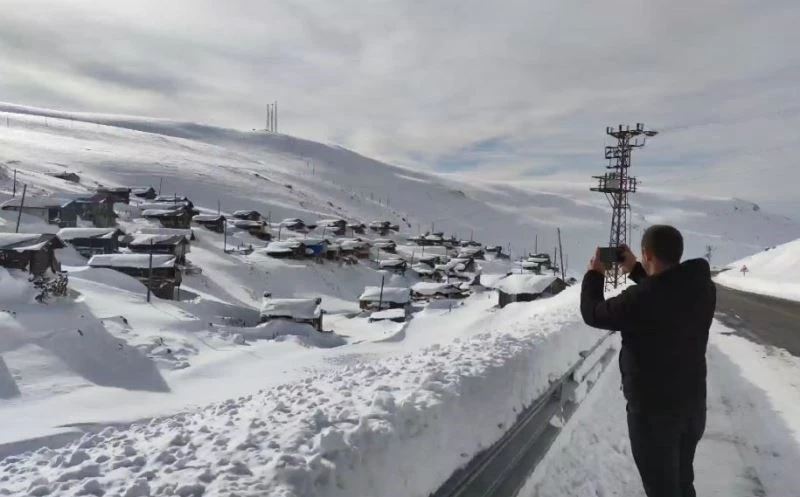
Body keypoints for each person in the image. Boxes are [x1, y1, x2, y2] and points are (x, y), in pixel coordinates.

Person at [580, 225, 716, 497]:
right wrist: (637, 271)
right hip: (692, 408)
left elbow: (593, 313)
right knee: (682, 482)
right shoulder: (702, 287)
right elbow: (665, 293)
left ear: (648, 254)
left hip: (655, 417)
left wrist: (594, 274)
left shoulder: (643, 299)